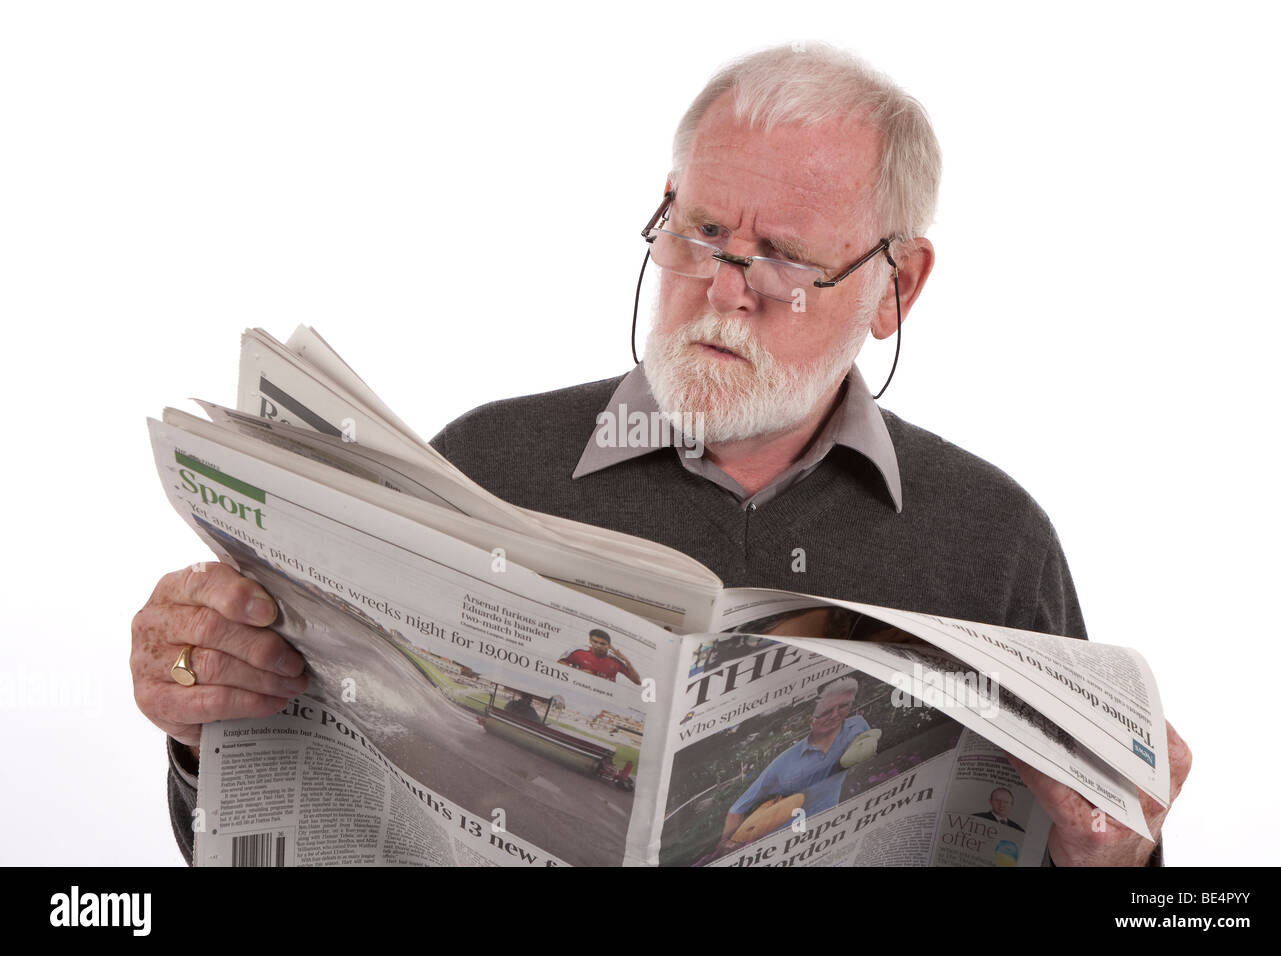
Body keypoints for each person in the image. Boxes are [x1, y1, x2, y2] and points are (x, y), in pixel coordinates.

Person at [131, 42, 1190, 866]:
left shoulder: (994, 535)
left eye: (781, 260)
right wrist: (205, 722)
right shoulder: (482, 461)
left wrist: (1118, 853)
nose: (725, 289)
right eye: (698, 233)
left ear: (897, 286)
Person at [716, 678, 867, 853]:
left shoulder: (858, 726)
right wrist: (726, 843)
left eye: (843, 706)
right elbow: (737, 809)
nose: (836, 715)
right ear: (812, 721)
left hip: (837, 826)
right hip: (789, 842)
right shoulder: (783, 762)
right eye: (827, 711)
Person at [557, 629, 642, 685]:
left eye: (602, 644)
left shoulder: (615, 661)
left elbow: (637, 681)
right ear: (590, 640)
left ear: (608, 645)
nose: (598, 646)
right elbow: (560, 663)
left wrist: (626, 660)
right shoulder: (578, 651)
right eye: (595, 642)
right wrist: (578, 672)